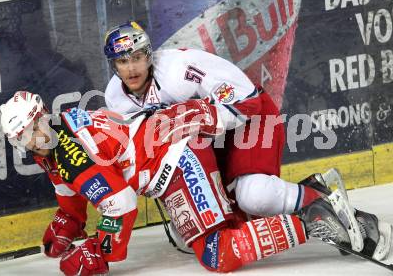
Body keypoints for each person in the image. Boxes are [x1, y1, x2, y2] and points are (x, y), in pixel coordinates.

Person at [0, 91, 391, 275]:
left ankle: (314, 219)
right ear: (18, 143)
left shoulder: (68, 152)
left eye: (36, 125)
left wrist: (98, 252)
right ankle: (314, 195)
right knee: (228, 226)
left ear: (42, 114)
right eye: (25, 136)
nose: (36, 137)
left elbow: (119, 203)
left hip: (177, 161)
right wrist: (68, 224)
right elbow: (72, 189)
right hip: (170, 157)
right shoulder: (58, 138)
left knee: (216, 253)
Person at [103, 21, 322, 220]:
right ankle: (298, 195)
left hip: (248, 120)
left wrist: (196, 116)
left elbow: (247, 102)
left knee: (255, 196)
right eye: (123, 61)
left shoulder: (178, 69)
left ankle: (324, 202)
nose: (131, 68)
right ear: (114, 65)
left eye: (137, 58)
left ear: (148, 55)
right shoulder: (115, 98)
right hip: (206, 143)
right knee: (198, 223)